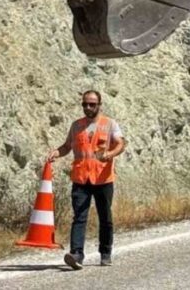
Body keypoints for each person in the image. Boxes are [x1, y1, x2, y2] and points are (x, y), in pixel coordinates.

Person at [47, 90, 126, 269]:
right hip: (81, 179)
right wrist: (56, 153)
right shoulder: (76, 126)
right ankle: (76, 254)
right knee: (79, 217)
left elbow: (121, 143)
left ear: (99, 105)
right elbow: (67, 146)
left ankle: (105, 252)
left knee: (105, 217)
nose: (88, 107)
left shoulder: (110, 124)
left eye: (92, 104)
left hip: (103, 179)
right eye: (85, 104)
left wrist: (110, 154)